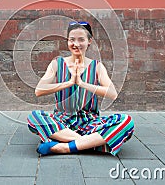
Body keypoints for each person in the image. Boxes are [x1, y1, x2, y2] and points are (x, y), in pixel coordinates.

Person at [27, 21, 134, 156]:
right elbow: (39, 90)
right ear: (67, 41)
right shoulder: (57, 63)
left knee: (127, 122)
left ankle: (64, 147)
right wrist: (69, 83)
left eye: (81, 40)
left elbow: (112, 94)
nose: (76, 44)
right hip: (61, 122)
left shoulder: (97, 66)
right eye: (72, 40)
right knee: (34, 117)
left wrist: (83, 83)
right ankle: (91, 143)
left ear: (89, 41)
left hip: (90, 123)